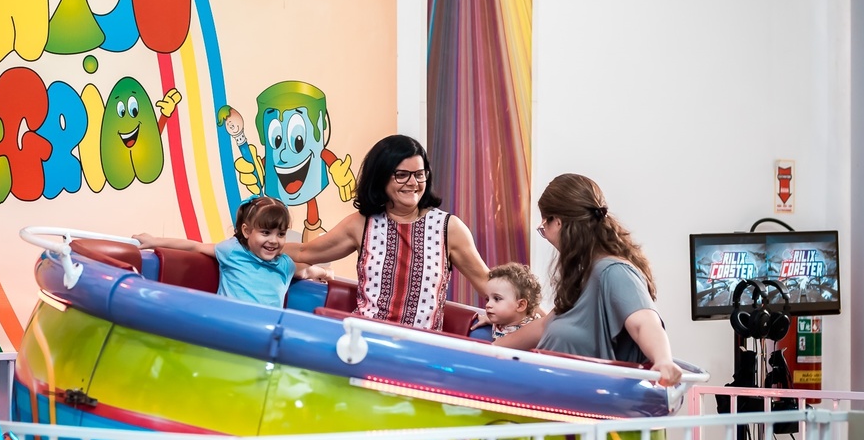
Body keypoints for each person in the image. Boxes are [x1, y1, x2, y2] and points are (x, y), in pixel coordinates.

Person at [283, 134, 489, 331]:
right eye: (401, 175)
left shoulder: (449, 228)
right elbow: (304, 252)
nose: (413, 183)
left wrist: (500, 312)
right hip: (364, 341)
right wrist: (261, 247)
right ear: (381, 177)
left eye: (419, 174)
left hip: (422, 347)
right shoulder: (361, 224)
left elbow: (488, 283)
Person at [496, 173, 683, 387]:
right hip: (551, 393)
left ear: (558, 222)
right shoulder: (584, 275)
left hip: (587, 399)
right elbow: (544, 326)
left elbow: (644, 322)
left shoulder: (614, 272)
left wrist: (663, 360)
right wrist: (489, 347)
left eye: (544, 227)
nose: (545, 235)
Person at [134, 196, 330, 309]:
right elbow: (195, 246)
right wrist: (155, 241)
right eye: (265, 232)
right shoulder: (232, 251)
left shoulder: (284, 264)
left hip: (265, 334)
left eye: (281, 234)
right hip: (228, 326)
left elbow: (306, 271)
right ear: (246, 231)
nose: (273, 240)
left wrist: (325, 273)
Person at [484, 263, 542, 341]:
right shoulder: (503, 321)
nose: (488, 304)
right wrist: (487, 320)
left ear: (520, 305)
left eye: (497, 299)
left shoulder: (531, 332)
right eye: (487, 299)